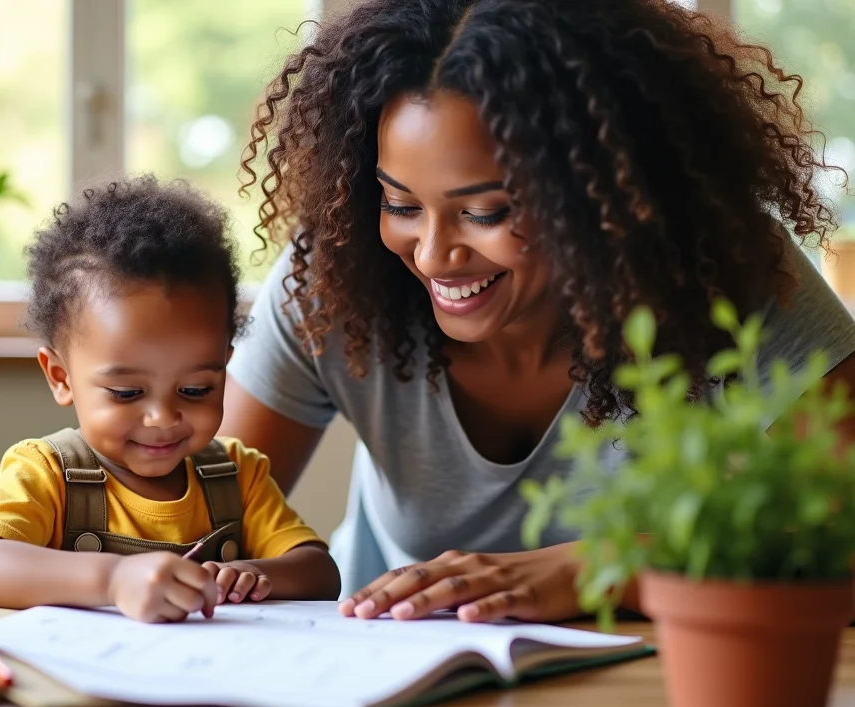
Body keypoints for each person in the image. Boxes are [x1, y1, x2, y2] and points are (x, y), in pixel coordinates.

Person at [221, 0, 855, 623]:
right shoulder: (334, 278)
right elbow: (191, 510)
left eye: (487, 212)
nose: (435, 254)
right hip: (398, 666)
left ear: (602, 191)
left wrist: (600, 569)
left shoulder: (727, 270)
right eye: (401, 205)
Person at [0, 176, 340, 623]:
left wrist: (253, 574)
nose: (162, 417)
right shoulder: (47, 474)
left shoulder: (240, 476)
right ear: (60, 377)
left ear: (224, 369)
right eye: (127, 393)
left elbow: (320, 572)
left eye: (195, 390)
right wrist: (113, 579)